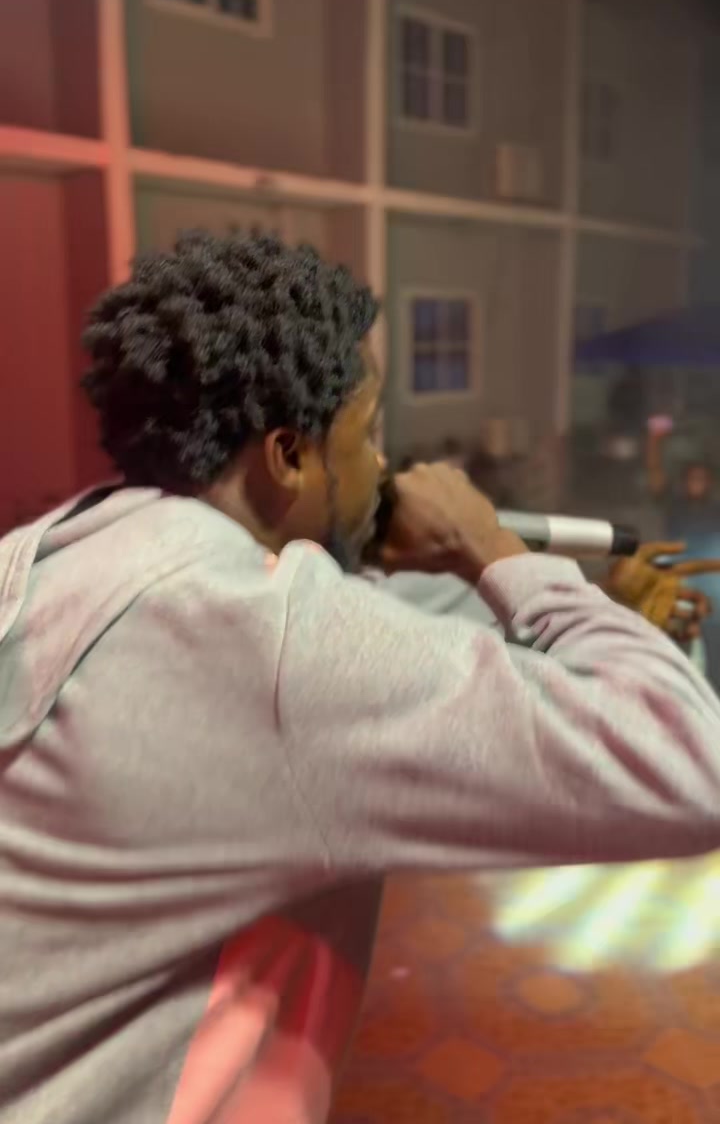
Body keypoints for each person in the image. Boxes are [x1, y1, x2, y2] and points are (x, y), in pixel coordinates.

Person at [2, 232, 720, 1124]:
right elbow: (691, 765)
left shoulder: (74, 550)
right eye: (367, 433)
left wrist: (582, 612)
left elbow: (380, 638)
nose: (383, 465)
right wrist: (490, 547)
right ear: (288, 456)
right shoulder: (271, 649)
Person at [647, 418, 720, 681]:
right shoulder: (674, 503)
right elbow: (655, 474)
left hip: (710, 579)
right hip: (681, 573)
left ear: (708, 482)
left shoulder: (714, 508)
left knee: (713, 634)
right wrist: (655, 440)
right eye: (692, 478)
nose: (696, 483)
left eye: (701, 479)